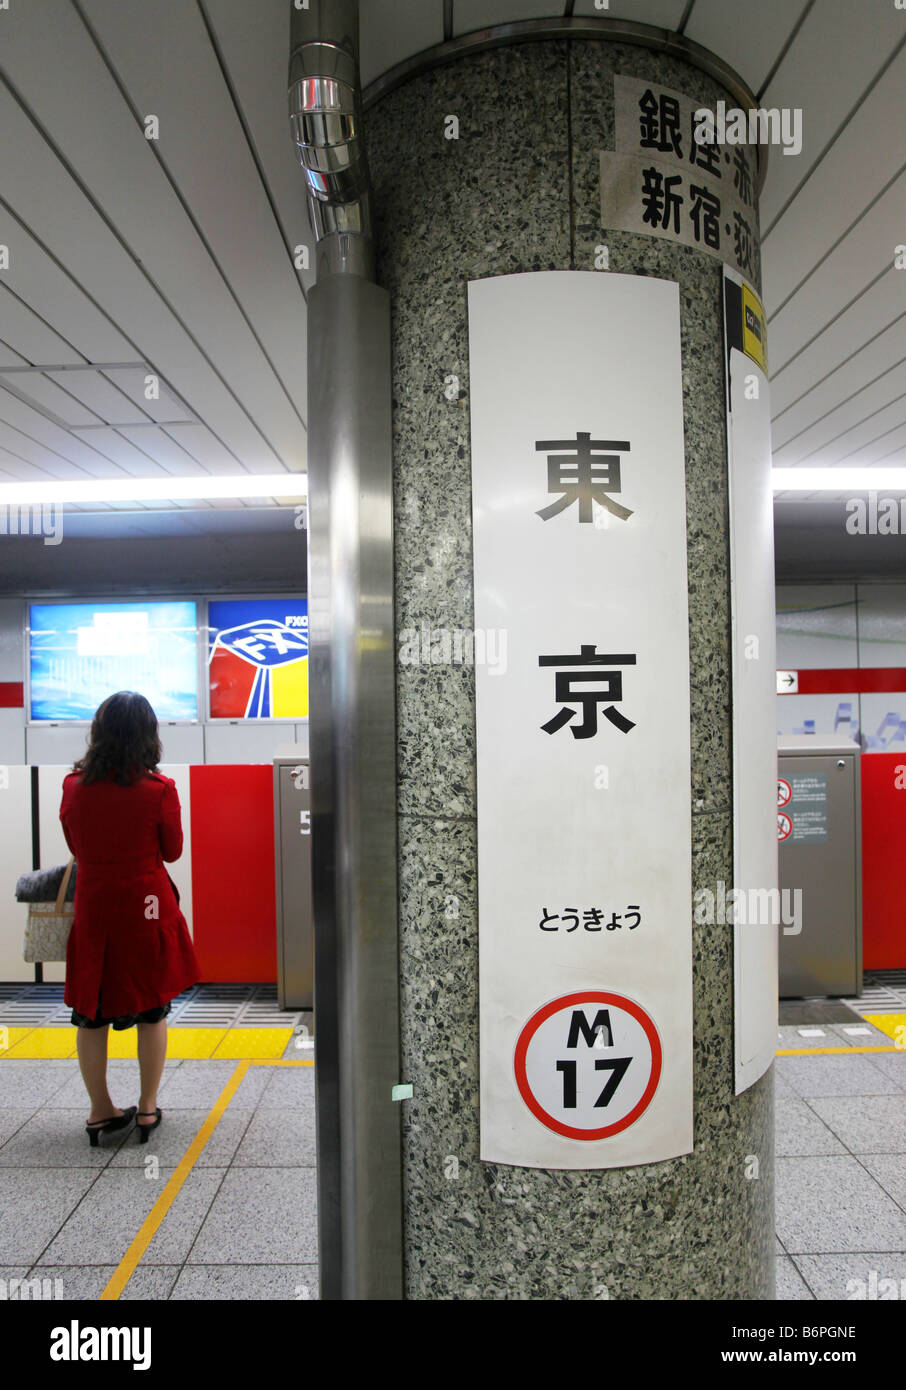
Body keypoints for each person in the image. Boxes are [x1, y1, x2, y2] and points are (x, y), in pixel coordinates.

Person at [60, 691, 200, 1146]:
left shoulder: (72, 787)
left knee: (91, 1012)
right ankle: (145, 1108)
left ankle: (100, 1111)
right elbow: (173, 850)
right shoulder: (158, 790)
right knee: (152, 1007)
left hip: (97, 906)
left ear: (98, 733)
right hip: (146, 907)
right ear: (148, 736)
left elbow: (75, 846)